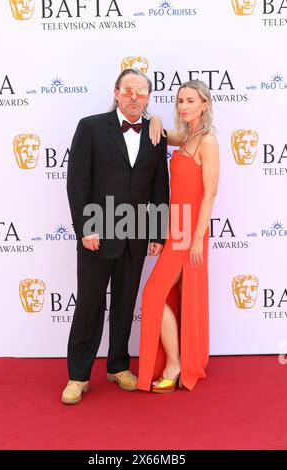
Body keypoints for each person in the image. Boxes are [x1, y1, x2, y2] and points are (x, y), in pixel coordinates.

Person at [62, 68, 169, 404]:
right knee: (90, 305)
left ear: (149, 96)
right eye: (128, 90)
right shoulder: (91, 127)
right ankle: (78, 376)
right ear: (117, 92)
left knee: (125, 304)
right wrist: (86, 227)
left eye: (141, 91)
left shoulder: (157, 133)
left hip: (136, 233)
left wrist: (157, 233)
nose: (135, 96)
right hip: (98, 230)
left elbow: (159, 186)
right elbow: (77, 182)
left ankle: (118, 366)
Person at [138, 80, 219, 393]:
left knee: (153, 294)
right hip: (177, 227)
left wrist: (198, 237)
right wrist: (155, 118)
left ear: (205, 104)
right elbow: (163, 135)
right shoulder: (187, 136)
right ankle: (178, 359)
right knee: (164, 295)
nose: (183, 106)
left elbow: (210, 193)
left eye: (190, 101)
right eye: (180, 101)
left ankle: (175, 362)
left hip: (190, 232)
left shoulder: (208, 142)